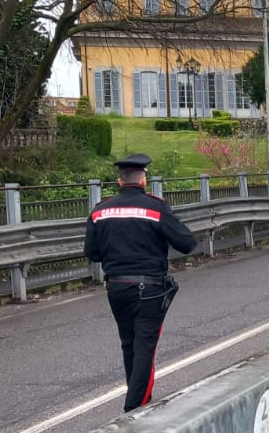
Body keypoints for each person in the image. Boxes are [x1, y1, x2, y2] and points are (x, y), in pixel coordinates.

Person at [84, 153, 197, 411]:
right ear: (143, 179)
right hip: (149, 289)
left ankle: (139, 401)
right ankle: (133, 410)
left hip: (116, 287)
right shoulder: (155, 208)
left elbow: (92, 252)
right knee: (145, 347)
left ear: (119, 180)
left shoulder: (101, 210)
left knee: (129, 343)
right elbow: (187, 244)